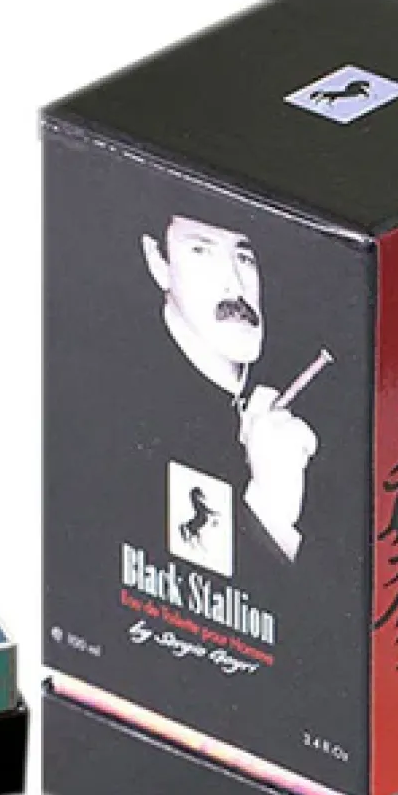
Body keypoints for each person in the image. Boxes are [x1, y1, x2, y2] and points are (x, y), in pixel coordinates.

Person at [141, 215, 319, 562]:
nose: (234, 285)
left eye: (244, 258)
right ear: (158, 262)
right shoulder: (123, 409)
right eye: (201, 251)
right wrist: (271, 512)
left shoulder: (312, 389)